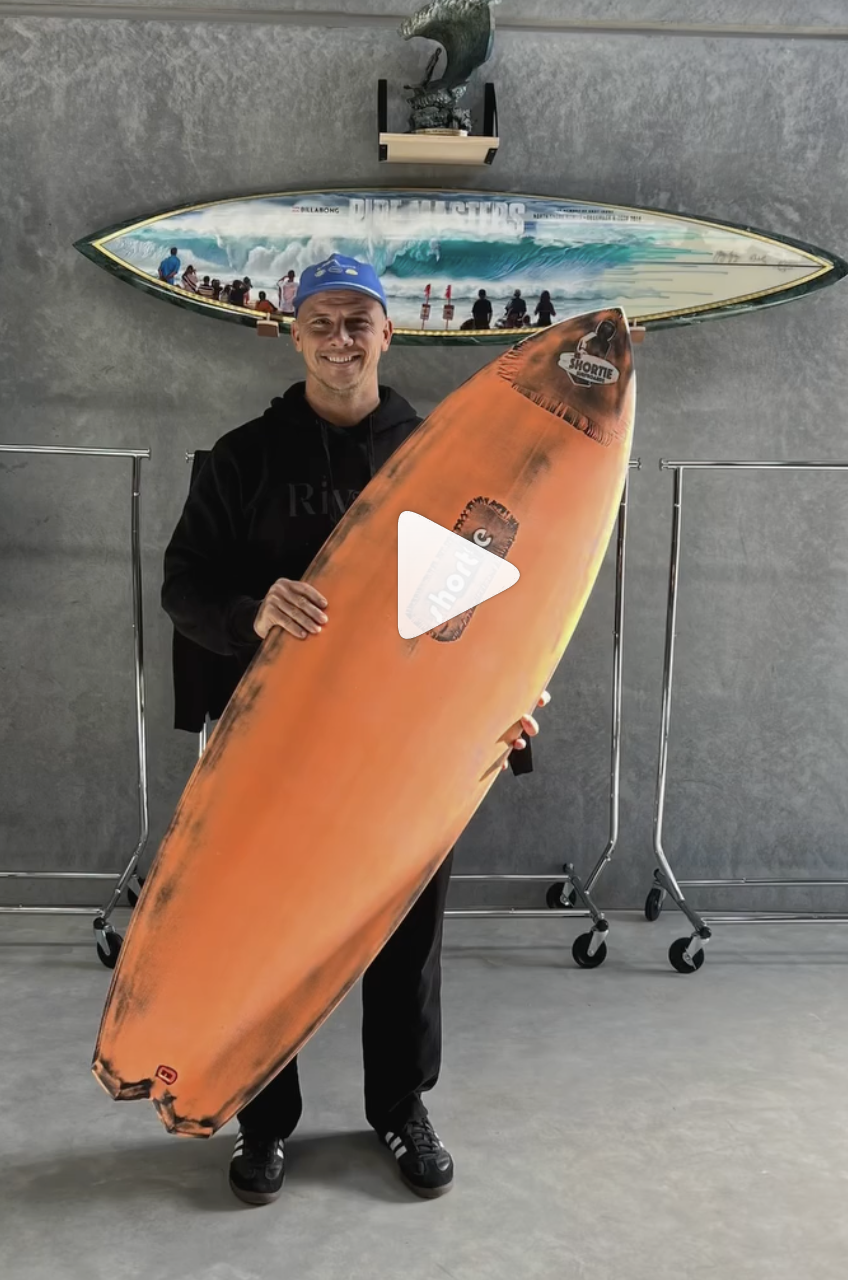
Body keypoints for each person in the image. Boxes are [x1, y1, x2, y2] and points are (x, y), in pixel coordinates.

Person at [161, 252, 548, 1209]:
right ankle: (263, 1117)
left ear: (388, 332)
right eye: (322, 324)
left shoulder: (444, 453)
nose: (341, 340)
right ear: (294, 335)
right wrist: (252, 612)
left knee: (406, 934)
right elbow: (184, 584)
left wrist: (509, 702)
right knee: (266, 929)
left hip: (407, 742)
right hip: (276, 741)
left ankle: (400, 1105)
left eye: (358, 322)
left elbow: (492, 601)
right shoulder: (243, 457)